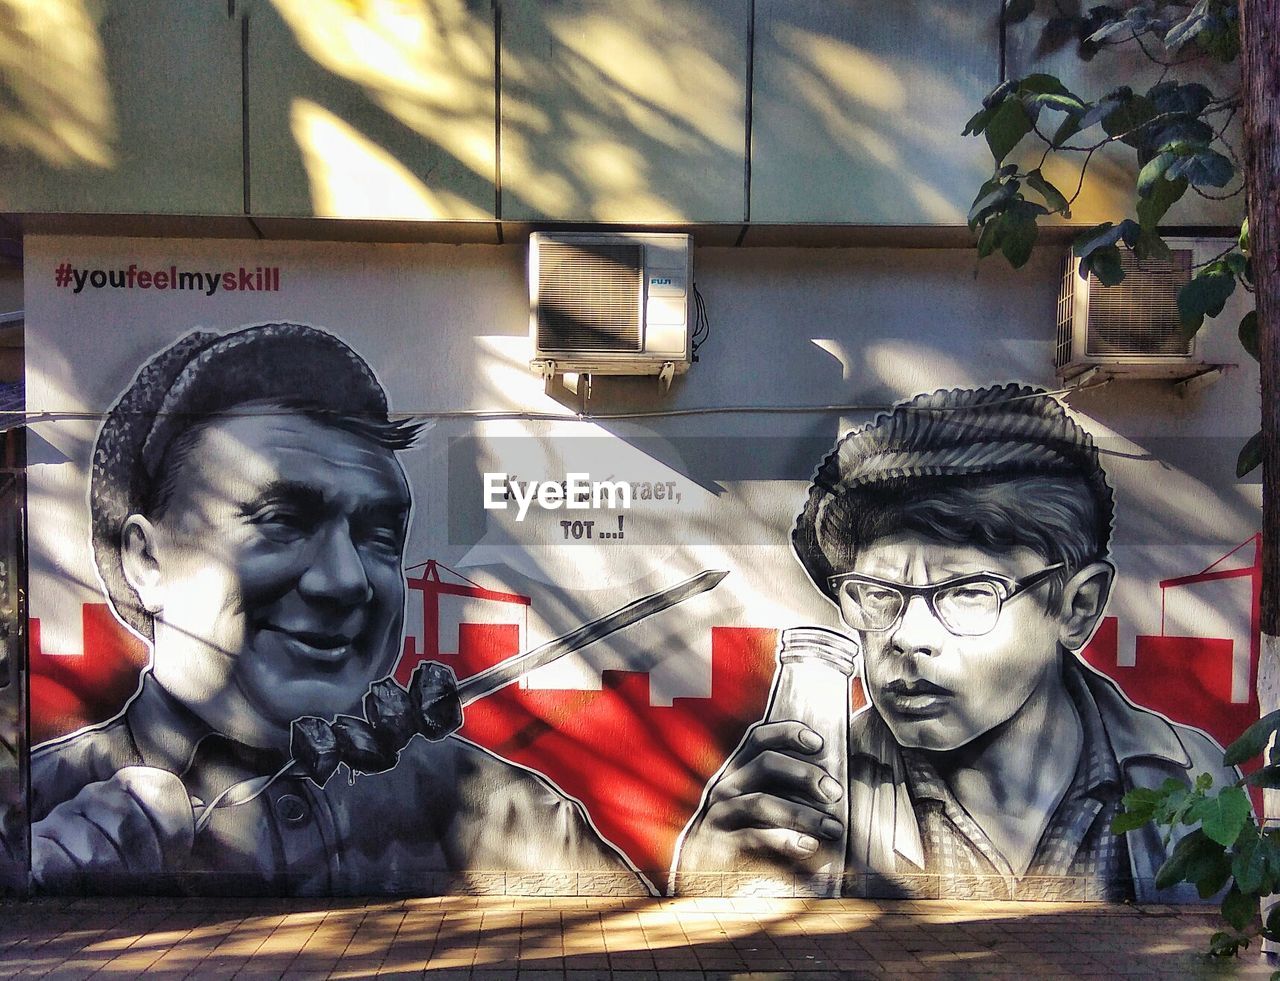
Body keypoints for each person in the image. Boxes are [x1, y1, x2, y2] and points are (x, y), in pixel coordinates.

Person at [18, 323, 643, 895]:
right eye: (283, 520)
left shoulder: (499, 810)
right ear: (146, 562)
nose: (346, 582)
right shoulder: (35, 810)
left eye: (379, 537)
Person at [674, 384, 1235, 902]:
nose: (906, 637)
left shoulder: (1188, 775)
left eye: (967, 592)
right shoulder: (816, 787)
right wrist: (711, 890)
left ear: (1076, 607)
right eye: (876, 593)